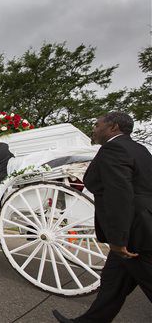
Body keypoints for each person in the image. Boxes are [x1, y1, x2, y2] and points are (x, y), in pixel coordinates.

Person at [53, 112, 152, 323]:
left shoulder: (113, 149)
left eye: (97, 125)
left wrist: (118, 239)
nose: (94, 129)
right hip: (141, 225)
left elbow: (119, 194)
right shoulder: (140, 149)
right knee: (112, 285)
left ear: (113, 127)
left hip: (134, 232)